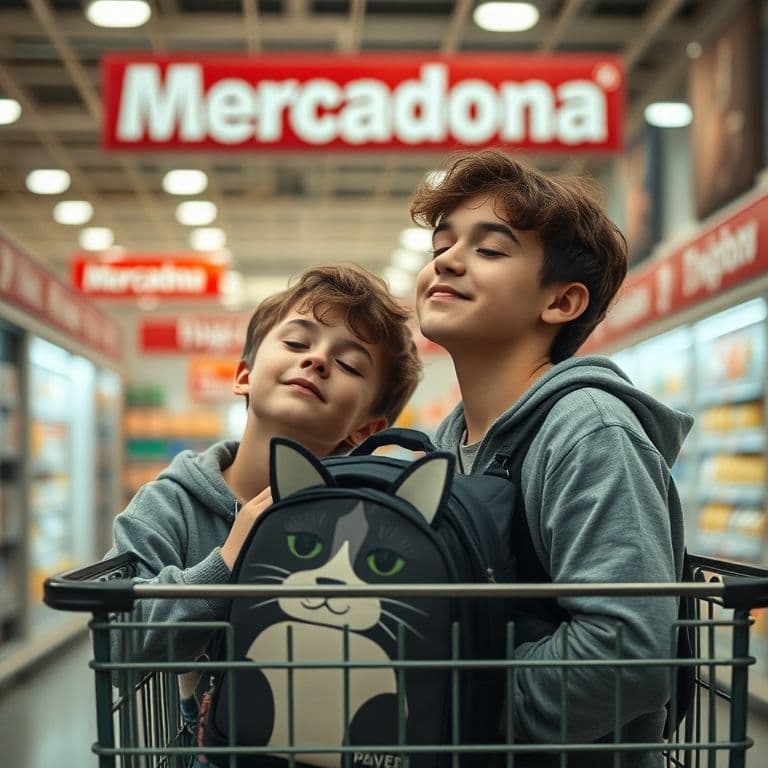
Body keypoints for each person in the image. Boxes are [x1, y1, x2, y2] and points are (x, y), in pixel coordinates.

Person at [410, 150, 692, 766]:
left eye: (490, 250)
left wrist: (454, 695)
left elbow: (626, 654)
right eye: (442, 244)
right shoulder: (444, 446)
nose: (446, 261)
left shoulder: (588, 432)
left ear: (562, 302)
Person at [106, 263, 422, 669]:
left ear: (366, 428)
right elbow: (118, 644)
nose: (318, 360)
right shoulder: (168, 507)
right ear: (244, 376)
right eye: (296, 343)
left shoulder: (365, 521)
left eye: (348, 364)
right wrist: (226, 563)